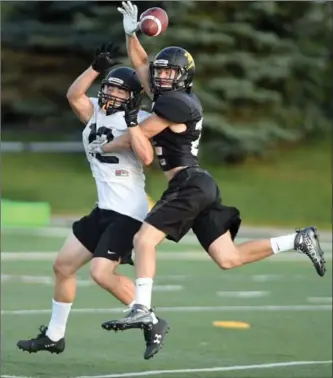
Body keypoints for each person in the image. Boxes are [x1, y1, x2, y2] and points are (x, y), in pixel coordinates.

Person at [98, 1, 326, 357]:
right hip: (196, 183)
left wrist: (108, 143)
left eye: (169, 75)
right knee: (228, 258)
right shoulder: (170, 95)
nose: (161, 78)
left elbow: (139, 141)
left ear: (184, 78)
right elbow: (141, 64)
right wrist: (131, 34)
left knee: (144, 240)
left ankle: (142, 308)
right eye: (161, 73)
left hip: (189, 183)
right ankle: (297, 240)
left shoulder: (179, 104)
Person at [16, 41, 168, 361]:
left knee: (101, 274)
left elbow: (147, 158)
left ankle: (152, 319)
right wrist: (95, 68)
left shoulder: (139, 119)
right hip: (104, 209)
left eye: (118, 91)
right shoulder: (95, 111)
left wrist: (130, 123)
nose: (111, 95)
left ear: (132, 96)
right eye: (108, 88)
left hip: (129, 212)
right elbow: (74, 95)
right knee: (63, 266)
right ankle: (55, 335)